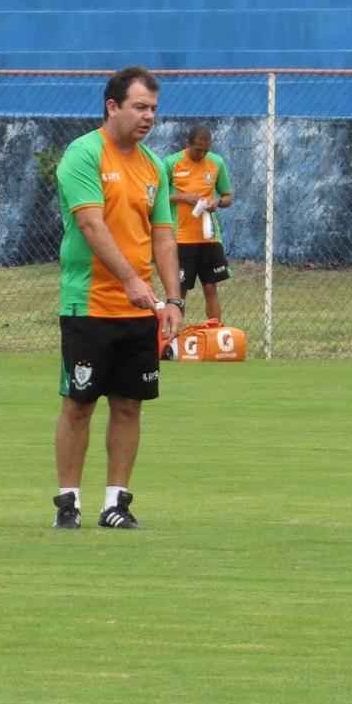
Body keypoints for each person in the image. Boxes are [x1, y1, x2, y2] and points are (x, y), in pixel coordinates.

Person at [51, 66, 184, 530]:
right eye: (139, 107)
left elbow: (164, 237)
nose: (148, 117)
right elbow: (91, 225)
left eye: (153, 109)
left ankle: (116, 504)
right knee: (79, 403)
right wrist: (129, 278)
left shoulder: (153, 166)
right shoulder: (83, 154)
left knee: (129, 403)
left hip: (139, 308)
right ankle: (68, 503)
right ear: (113, 106)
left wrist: (173, 300)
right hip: (90, 304)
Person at [164, 126, 233, 322]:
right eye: (197, 149)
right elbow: (158, 196)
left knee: (211, 287)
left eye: (206, 150)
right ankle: (174, 339)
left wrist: (216, 202)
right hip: (181, 238)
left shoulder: (216, 162)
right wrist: (182, 197)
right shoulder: (171, 163)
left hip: (209, 237)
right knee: (179, 290)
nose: (201, 154)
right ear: (188, 144)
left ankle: (215, 337)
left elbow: (228, 196)